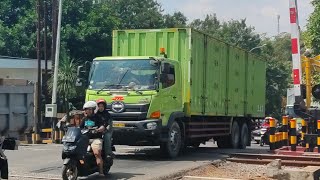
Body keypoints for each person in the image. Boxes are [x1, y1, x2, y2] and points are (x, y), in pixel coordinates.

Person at [80, 101, 106, 176]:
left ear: (93, 110)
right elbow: (80, 128)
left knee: (97, 153)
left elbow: (102, 126)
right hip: (85, 138)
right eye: (85, 109)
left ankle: (101, 172)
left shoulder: (98, 118)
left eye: (88, 109)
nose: (86, 111)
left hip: (96, 138)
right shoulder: (84, 119)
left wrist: (99, 129)